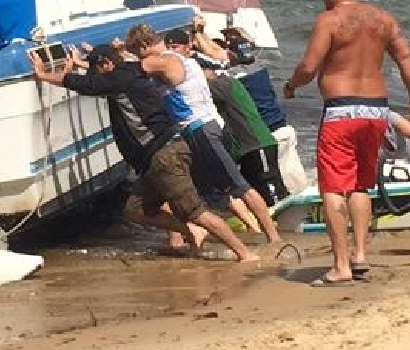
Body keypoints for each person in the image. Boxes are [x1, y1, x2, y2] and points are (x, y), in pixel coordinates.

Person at [28, 44, 259, 262]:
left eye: (98, 70)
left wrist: (44, 75)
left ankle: (244, 253)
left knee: (194, 211)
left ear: (107, 64)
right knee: (136, 210)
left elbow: (87, 85)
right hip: (156, 158)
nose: (99, 77)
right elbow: (94, 79)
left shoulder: (119, 79)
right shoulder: (130, 69)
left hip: (164, 155)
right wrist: (80, 64)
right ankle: (188, 231)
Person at [283, 0, 410, 286]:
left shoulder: (330, 20)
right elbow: (405, 57)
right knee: (360, 186)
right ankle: (360, 254)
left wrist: (292, 85)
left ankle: (340, 267)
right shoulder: (383, 19)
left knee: (334, 187)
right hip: (377, 111)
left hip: (341, 111)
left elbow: (309, 65)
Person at [125, 24, 282, 245]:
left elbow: (130, 70)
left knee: (240, 187)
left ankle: (273, 238)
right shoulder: (182, 58)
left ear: (144, 46)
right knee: (207, 190)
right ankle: (191, 238)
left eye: (136, 51)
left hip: (202, 130)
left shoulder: (164, 60)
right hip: (203, 130)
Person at [164, 27, 287, 204]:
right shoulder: (252, 68)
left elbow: (214, 61)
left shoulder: (224, 84)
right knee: (257, 189)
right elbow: (218, 56)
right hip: (247, 147)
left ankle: (284, 223)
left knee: (272, 190)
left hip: (257, 143)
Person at [190, 18, 309, 196]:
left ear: (232, 56)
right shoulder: (259, 66)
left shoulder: (235, 76)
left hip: (268, 133)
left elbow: (215, 53)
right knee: (294, 182)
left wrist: (198, 31)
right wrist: (211, 34)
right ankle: (303, 212)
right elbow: (239, 47)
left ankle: (283, 218)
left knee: (278, 185)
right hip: (284, 128)